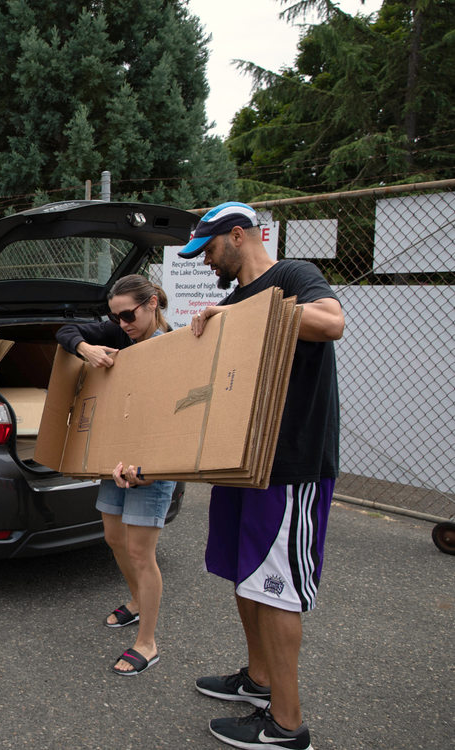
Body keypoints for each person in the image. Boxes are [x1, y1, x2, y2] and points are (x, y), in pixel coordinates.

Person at [181, 201, 344, 750]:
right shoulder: (234, 299)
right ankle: (258, 680)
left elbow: (331, 322)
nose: (205, 262)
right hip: (244, 464)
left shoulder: (292, 276)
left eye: (207, 250)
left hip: (290, 463)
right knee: (245, 572)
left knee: (276, 590)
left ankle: (287, 725)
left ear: (236, 236)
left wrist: (242, 317)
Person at [55, 274, 178, 677]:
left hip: (153, 464)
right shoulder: (120, 332)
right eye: (116, 316)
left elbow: (181, 418)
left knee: (142, 552)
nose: (122, 324)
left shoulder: (175, 347)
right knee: (113, 537)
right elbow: (65, 330)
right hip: (116, 458)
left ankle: (148, 642)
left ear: (153, 303)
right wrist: (85, 348)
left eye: (128, 315)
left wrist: (152, 466)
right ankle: (137, 601)